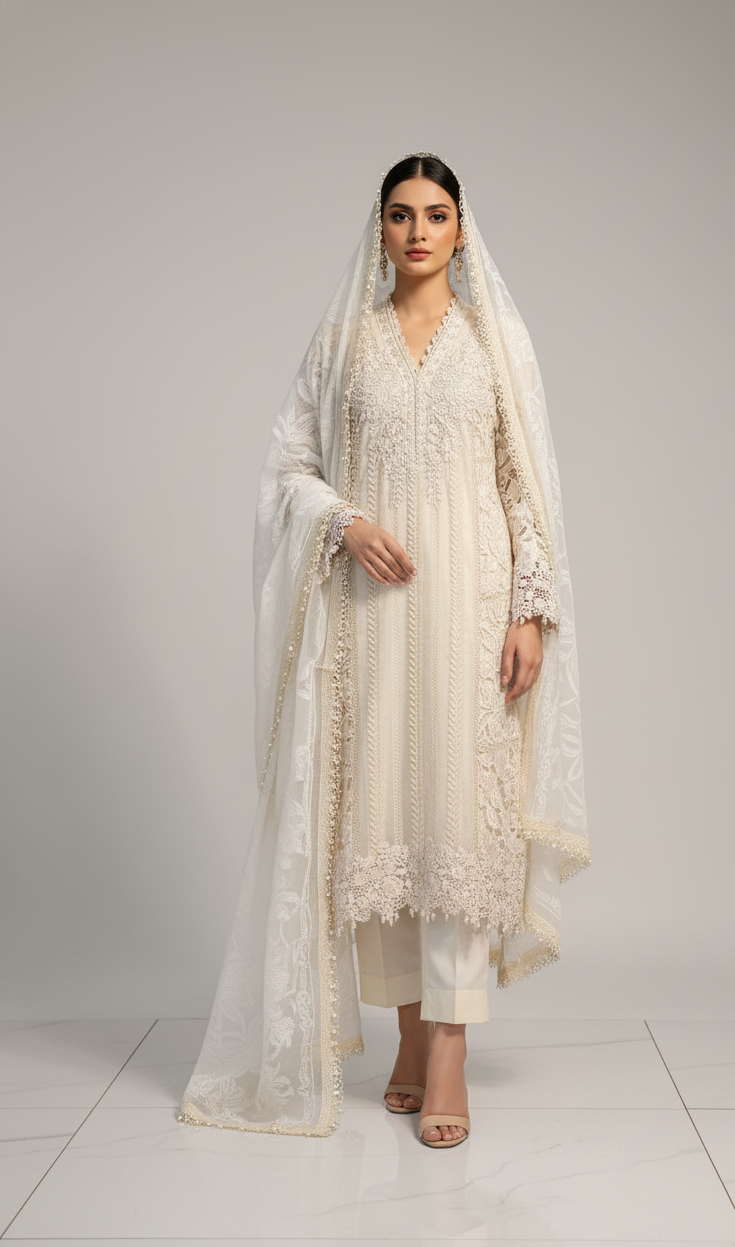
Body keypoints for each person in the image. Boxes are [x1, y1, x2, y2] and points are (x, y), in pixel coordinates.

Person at [177, 151, 591, 1146]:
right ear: (379, 228)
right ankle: (408, 1033)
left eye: (435, 214)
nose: (417, 231)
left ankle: (447, 1050)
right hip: (371, 617)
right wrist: (345, 521)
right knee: (383, 832)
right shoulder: (343, 342)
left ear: (461, 230)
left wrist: (528, 611)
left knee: (457, 825)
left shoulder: (495, 342)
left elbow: (524, 488)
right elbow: (288, 467)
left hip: (471, 610)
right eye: (400, 214)